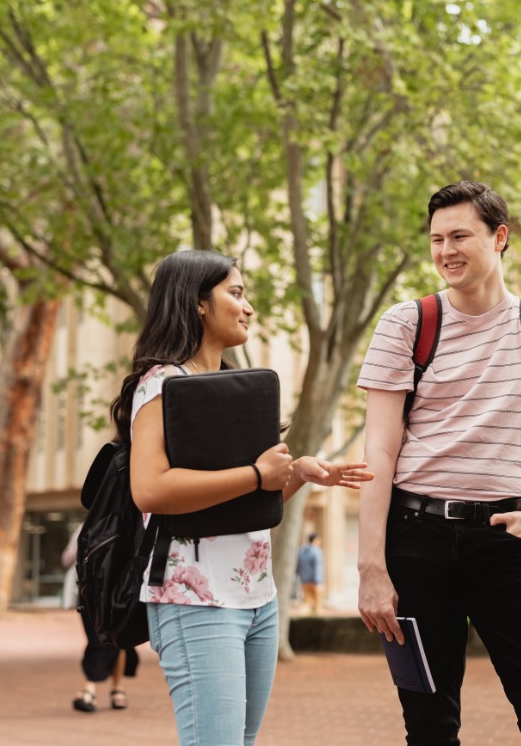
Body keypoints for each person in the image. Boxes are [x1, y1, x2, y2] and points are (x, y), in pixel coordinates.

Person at [357, 181, 521, 746]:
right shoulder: (405, 325)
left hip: (508, 546)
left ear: (501, 237)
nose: (446, 251)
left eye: (460, 235)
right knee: (430, 728)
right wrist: (372, 567)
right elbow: (379, 452)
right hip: (415, 543)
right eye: (437, 239)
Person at [110, 249, 373, 746]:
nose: (248, 306)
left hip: (258, 599)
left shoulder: (234, 390)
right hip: (194, 601)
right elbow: (149, 490)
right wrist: (256, 473)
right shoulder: (162, 384)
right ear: (198, 304)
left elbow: (250, 506)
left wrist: (296, 475)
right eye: (236, 292)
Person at [61, 524, 138, 712]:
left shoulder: (126, 520)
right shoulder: (85, 527)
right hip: (93, 589)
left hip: (116, 588)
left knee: (118, 640)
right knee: (99, 639)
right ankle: (98, 689)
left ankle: (106, 689)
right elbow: (67, 558)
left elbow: (67, 559)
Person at [296, 533, 325, 614]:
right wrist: (319, 582)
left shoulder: (301, 551)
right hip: (314, 581)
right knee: (318, 607)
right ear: (315, 540)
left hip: (304, 581)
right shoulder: (316, 551)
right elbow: (318, 567)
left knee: (307, 603)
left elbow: (298, 566)